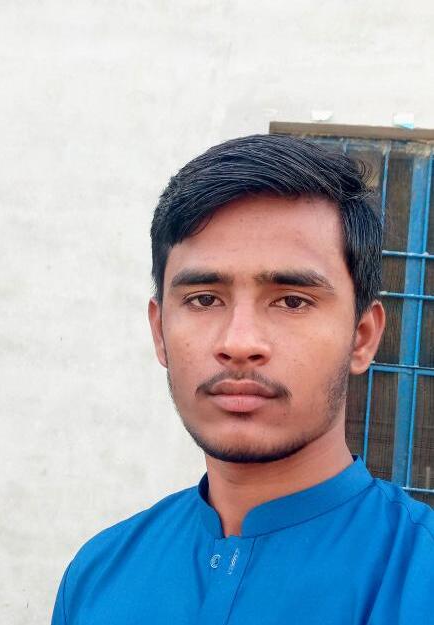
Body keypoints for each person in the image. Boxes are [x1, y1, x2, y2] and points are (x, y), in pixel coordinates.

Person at [51, 134, 434, 624]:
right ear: (160, 332)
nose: (239, 342)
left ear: (362, 337)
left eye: (292, 301)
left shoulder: (418, 578)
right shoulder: (98, 576)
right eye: (204, 299)